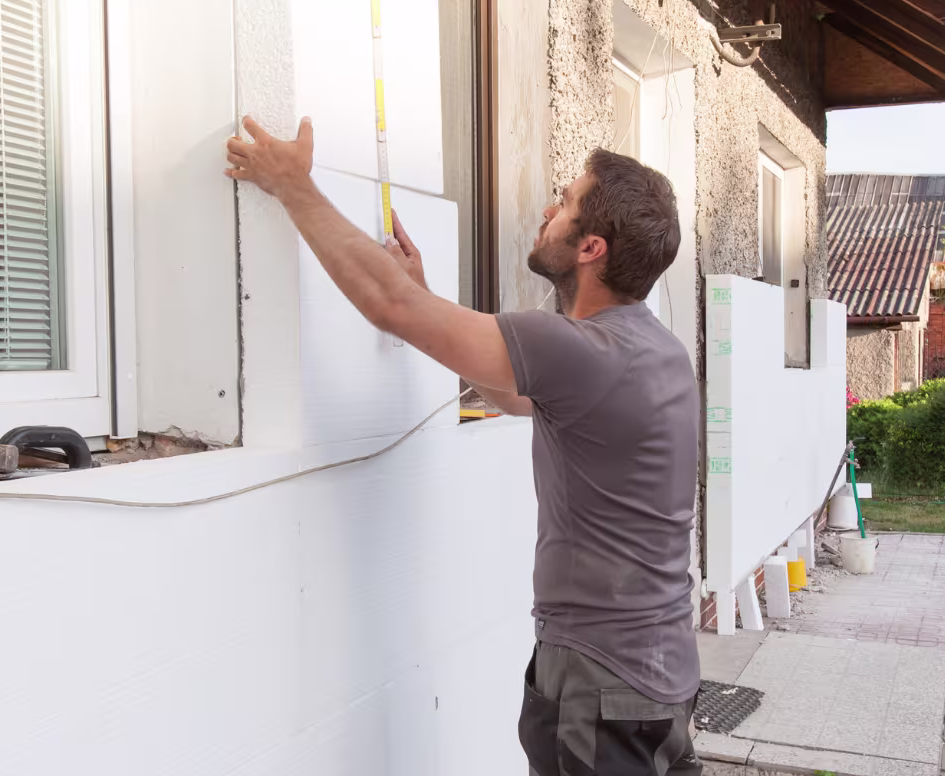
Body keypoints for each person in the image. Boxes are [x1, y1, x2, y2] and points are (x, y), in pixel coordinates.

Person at [226, 116, 702, 775]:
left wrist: (293, 186)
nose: (545, 210)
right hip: (656, 670)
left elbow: (388, 306)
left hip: (605, 680)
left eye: (562, 202)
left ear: (591, 247)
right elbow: (515, 396)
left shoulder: (579, 349)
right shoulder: (656, 351)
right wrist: (427, 303)